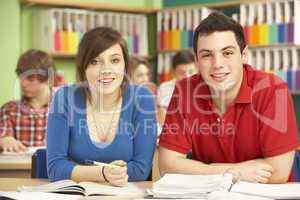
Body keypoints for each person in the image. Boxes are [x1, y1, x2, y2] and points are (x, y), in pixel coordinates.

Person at [158, 12, 299, 184]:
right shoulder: (184, 90)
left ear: (244, 55)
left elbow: (278, 172)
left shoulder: (273, 90)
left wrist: (202, 170)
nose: (217, 64)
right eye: (207, 55)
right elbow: (167, 166)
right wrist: (233, 172)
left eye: (227, 53)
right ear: (196, 60)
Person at [47, 27, 157, 186]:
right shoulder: (64, 98)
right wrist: (104, 173)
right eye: (95, 62)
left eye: (114, 60)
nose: (106, 70)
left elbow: (141, 169)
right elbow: (55, 168)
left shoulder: (142, 98)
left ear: (125, 64)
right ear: (83, 67)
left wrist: (79, 171)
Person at [0, 49, 56, 152]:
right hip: (20, 167)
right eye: (20, 77)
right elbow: (3, 134)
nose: (23, 84)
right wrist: (4, 139)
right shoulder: (9, 110)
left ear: (47, 79)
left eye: (30, 79)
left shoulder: (67, 106)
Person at [157, 50, 198, 124]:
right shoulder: (164, 89)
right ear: (174, 73)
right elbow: (162, 120)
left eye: (191, 72)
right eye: (182, 73)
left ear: (197, 70)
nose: (187, 76)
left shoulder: (203, 88)